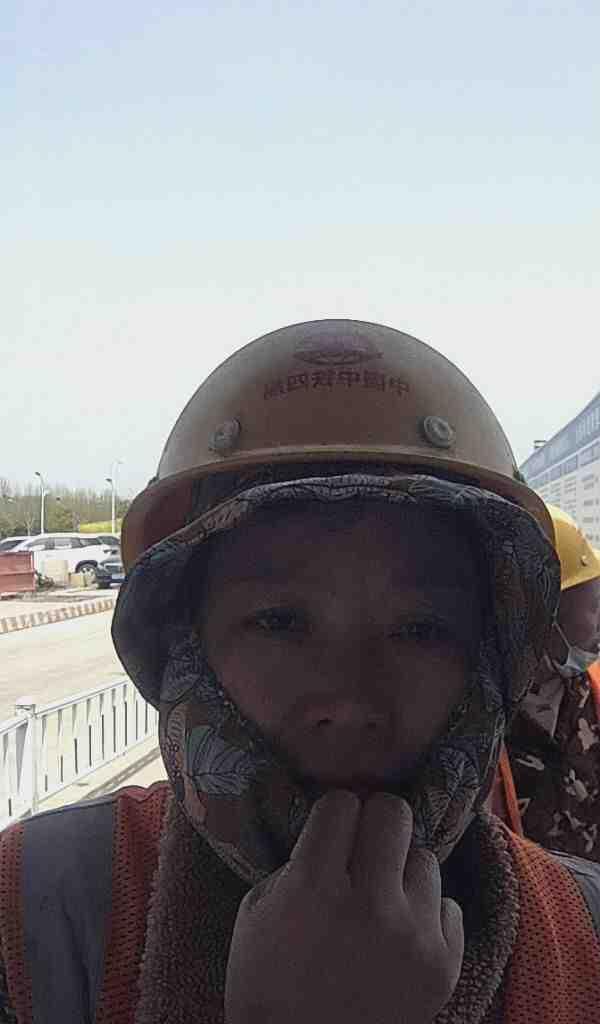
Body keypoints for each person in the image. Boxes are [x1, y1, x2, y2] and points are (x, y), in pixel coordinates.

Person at [1, 319, 600, 1024]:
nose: (351, 701)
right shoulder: (30, 909)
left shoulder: (584, 933)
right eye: (280, 623)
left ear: (488, 656)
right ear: (185, 645)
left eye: (419, 631)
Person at [491, 504, 600, 860]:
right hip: (534, 894)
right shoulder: (477, 725)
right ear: (545, 614)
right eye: (595, 606)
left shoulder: (591, 689)